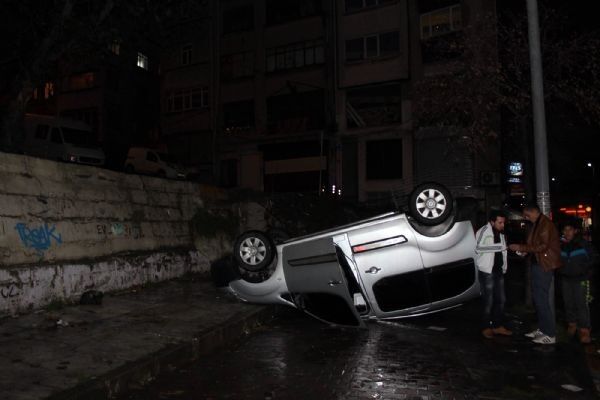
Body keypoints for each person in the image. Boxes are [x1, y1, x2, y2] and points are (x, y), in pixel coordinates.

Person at [509, 204, 562, 345]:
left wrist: (521, 247)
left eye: (527, 215)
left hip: (544, 266)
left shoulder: (545, 224)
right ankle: (543, 329)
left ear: (534, 212)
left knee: (542, 300)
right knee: (539, 300)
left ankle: (550, 334)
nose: (526, 218)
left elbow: (543, 246)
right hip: (539, 264)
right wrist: (525, 251)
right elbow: (537, 245)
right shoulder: (539, 223)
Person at [475, 210, 512, 339]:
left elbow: (503, 250)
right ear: (492, 222)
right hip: (487, 271)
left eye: (503, 222)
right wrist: (498, 247)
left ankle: (497, 326)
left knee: (501, 300)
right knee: (488, 301)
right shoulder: (483, 231)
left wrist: (504, 266)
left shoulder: (501, 233)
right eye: (500, 222)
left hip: (498, 270)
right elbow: (478, 248)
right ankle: (486, 327)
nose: (503, 225)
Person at [559, 219, 596, 344]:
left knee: (581, 305)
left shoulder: (583, 244)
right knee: (568, 303)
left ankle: (584, 330)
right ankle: (572, 325)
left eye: (570, 230)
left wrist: (585, 271)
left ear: (575, 231)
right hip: (566, 279)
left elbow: (594, 258)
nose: (567, 232)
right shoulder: (561, 244)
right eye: (565, 230)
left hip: (581, 279)